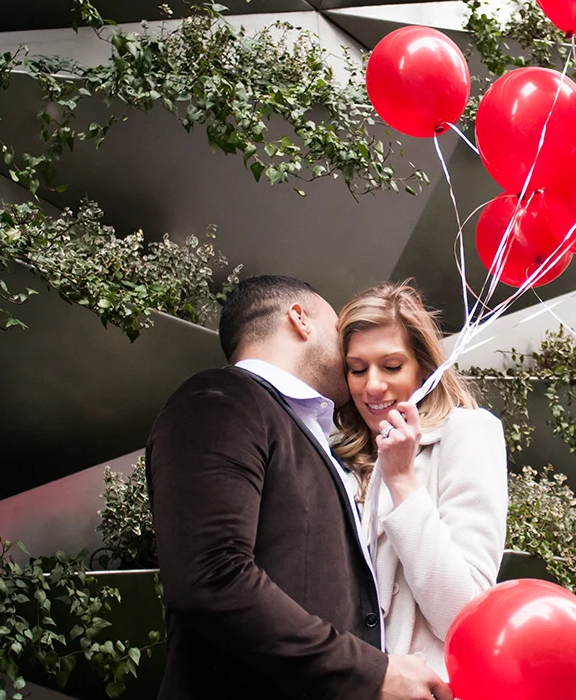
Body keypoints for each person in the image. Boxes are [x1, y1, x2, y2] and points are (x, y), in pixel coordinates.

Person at [146, 275, 452, 700]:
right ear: (300, 319)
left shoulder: (312, 435)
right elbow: (212, 576)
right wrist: (371, 672)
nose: (345, 345)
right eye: (337, 326)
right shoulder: (218, 398)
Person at [333, 281, 508, 680]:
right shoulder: (340, 454)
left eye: (392, 366)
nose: (372, 385)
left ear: (424, 367)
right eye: (357, 369)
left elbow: (465, 614)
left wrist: (402, 480)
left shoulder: (466, 432)